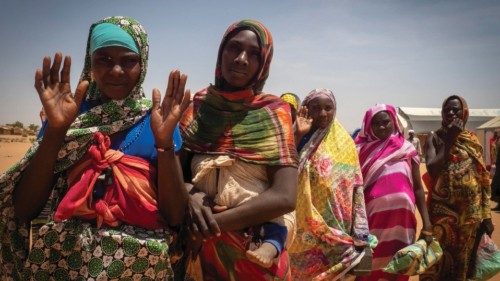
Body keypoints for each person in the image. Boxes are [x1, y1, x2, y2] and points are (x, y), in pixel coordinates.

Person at [0, 16, 190, 279]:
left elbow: (174, 215)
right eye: (104, 59)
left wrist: (165, 144)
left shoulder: (158, 121)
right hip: (64, 264)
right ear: (91, 64)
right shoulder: (69, 117)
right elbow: (25, 208)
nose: (116, 71)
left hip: (139, 269)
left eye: (128, 60)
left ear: (142, 64)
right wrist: (56, 132)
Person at [179, 19, 298, 280]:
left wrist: (212, 225)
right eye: (234, 48)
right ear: (221, 52)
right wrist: (191, 194)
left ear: (263, 63)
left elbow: (285, 196)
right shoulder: (197, 107)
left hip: (253, 257)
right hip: (202, 257)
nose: (241, 59)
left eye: (254, 54)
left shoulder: (274, 113)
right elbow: (178, 174)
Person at [289, 88, 376, 280]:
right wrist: (297, 135)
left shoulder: (346, 143)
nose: (322, 113)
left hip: (337, 230)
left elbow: (357, 188)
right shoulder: (296, 137)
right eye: (316, 107)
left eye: (328, 108)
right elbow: (284, 169)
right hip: (301, 229)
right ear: (305, 109)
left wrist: (360, 232)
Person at [355, 104, 433, 281]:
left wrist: (427, 223)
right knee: (369, 267)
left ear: (394, 122)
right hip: (372, 222)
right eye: (376, 123)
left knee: (398, 267)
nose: (382, 127)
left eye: (386, 122)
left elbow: (418, 188)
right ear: (368, 127)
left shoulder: (407, 149)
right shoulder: (359, 151)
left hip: (402, 222)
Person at [421, 95, 493, 281]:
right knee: (438, 260)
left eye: (456, 109)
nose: (451, 113)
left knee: (463, 262)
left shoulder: (472, 141)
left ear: (465, 113)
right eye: (447, 110)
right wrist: (450, 139)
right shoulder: (434, 138)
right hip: (442, 216)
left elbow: (483, 179)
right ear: (442, 113)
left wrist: (486, 215)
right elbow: (432, 169)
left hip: (470, 216)